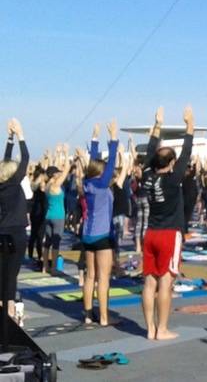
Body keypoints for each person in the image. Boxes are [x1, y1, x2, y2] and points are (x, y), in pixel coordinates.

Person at [140, 105, 194, 340]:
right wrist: (189, 124)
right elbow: (187, 151)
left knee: (149, 282)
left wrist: (158, 124)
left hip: (150, 232)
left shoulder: (147, 176)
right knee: (166, 283)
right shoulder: (173, 180)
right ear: (171, 163)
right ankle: (161, 329)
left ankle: (150, 328)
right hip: (170, 233)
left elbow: (151, 150)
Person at [80, 120, 119, 326]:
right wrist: (113, 139)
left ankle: (87, 315)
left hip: (88, 234)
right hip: (102, 235)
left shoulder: (87, 183)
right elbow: (111, 163)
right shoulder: (102, 184)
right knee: (103, 278)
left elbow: (94, 164)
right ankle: (104, 317)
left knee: (89, 276)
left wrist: (94, 139)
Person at [0, 119, 29, 318]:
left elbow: (6, 160)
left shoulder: (2, 185)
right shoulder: (15, 183)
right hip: (17, 233)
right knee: (12, 273)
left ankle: (4, 305)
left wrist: (10, 138)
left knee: (2, 272)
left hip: (2, 232)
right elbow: (25, 158)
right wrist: (21, 135)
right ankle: (9, 310)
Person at [43, 148, 70, 274]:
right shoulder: (56, 185)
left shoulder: (47, 185)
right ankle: (54, 268)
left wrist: (57, 155)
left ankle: (45, 267)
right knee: (56, 243)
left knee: (47, 242)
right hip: (58, 216)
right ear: (54, 175)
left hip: (48, 215)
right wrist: (66, 153)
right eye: (57, 173)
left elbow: (54, 170)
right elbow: (66, 170)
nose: (59, 173)